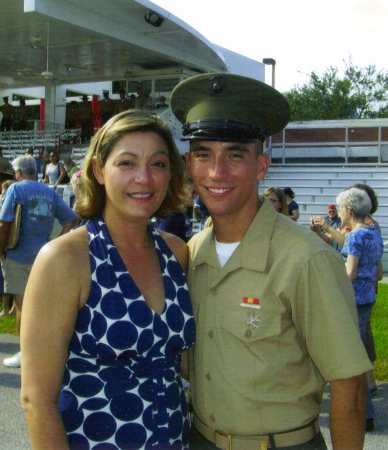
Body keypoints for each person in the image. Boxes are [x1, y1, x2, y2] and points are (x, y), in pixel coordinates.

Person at [171, 73, 372, 449]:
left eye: (234, 154)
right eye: (203, 154)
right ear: (189, 164)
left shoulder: (304, 257)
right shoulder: (194, 252)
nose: (217, 172)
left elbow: (349, 386)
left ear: (261, 166)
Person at [20, 110, 195, 449]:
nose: (144, 178)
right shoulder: (65, 259)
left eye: (158, 164)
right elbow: (35, 402)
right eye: (126, 163)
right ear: (99, 170)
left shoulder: (177, 253)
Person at [0, 155, 78, 368]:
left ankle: (25, 353)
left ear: (18, 172)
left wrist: (0, 252)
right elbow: (71, 218)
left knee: (22, 306)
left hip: (18, 255)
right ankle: (43, 350)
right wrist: (57, 243)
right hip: (43, 256)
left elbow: (4, 223)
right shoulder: (50, 191)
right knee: (43, 307)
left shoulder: (16, 189)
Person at [338, 188, 383, 432]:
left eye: (342, 209)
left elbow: (350, 273)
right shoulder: (374, 232)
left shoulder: (355, 237)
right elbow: (378, 272)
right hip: (368, 299)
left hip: (353, 300)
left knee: (352, 359)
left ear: (350, 210)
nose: (340, 214)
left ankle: (365, 413)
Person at [0, 179, 15, 318]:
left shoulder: (7, 204)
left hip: (7, 245)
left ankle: (6, 310)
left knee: (4, 279)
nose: (2, 192)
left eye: (4, 190)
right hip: (10, 244)